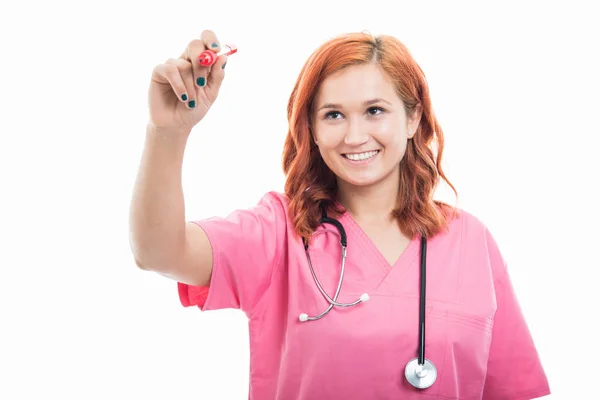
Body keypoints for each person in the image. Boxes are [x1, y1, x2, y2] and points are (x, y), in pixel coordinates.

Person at [129, 29, 551, 400]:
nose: (354, 136)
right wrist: (168, 133)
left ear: (413, 117)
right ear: (311, 129)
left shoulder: (469, 241)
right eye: (333, 115)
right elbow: (158, 251)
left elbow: (510, 392)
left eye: (374, 111)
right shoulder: (280, 233)